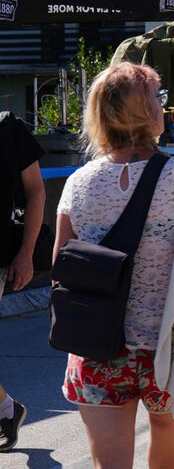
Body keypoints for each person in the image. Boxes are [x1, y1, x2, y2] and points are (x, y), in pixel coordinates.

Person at [53, 62, 174, 467]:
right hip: (169, 341)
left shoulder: (78, 182)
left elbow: (60, 267)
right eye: (159, 99)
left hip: (98, 343)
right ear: (148, 111)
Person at [0, 113, 45, 453]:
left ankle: (5, 409)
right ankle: (6, 408)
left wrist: (26, 254)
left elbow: (36, 193)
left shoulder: (7, 127)